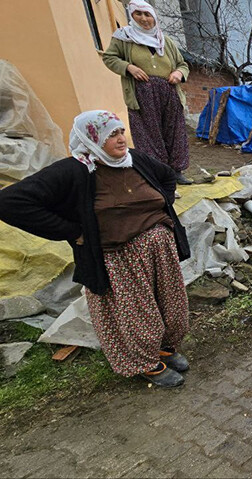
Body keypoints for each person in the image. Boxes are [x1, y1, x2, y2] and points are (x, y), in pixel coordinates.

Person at [0, 110, 191, 387]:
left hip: (159, 250)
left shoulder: (135, 160)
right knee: (138, 314)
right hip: (119, 257)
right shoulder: (74, 170)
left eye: (121, 131)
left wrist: (164, 204)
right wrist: (72, 231)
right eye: (110, 134)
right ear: (92, 139)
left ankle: (164, 348)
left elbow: (167, 177)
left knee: (170, 305)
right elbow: (9, 202)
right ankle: (146, 364)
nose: (120, 138)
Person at [102, 0, 193, 185]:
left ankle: (176, 172)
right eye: (139, 14)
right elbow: (109, 57)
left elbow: (183, 64)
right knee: (148, 134)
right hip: (141, 94)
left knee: (174, 132)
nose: (144, 18)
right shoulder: (124, 38)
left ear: (154, 17)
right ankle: (156, 172)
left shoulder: (165, 41)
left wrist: (178, 73)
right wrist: (129, 68)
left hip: (168, 92)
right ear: (132, 16)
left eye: (148, 14)